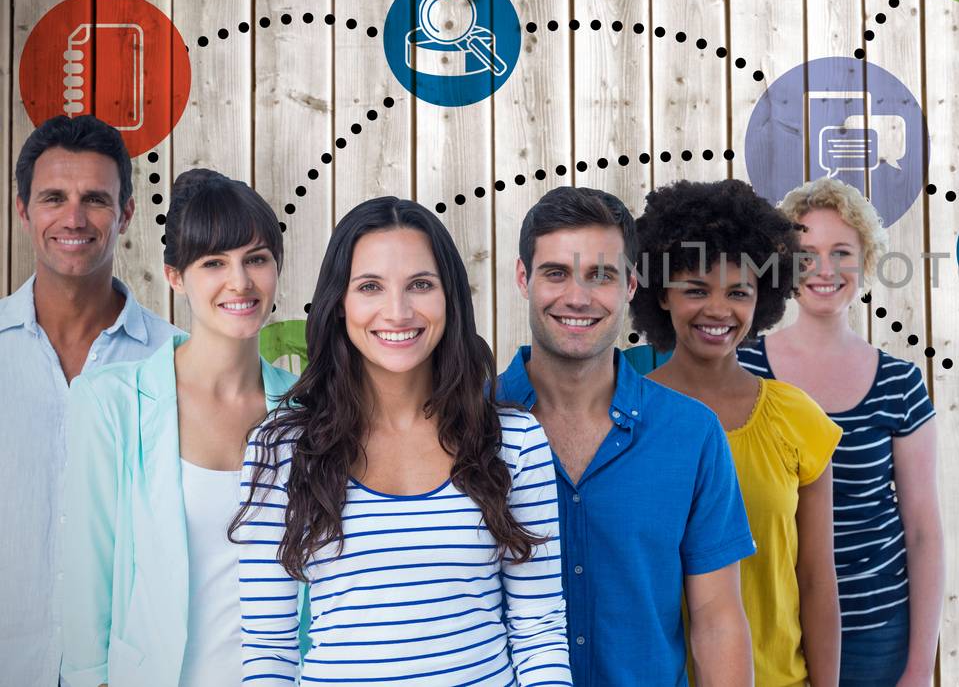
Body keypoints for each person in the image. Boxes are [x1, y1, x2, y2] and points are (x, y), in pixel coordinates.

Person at [232, 197, 569, 685]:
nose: (398, 311)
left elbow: (538, 629)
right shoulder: (280, 449)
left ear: (450, 298)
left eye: (421, 285)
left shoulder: (513, 439)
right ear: (339, 303)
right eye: (370, 286)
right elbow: (268, 650)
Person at [493, 186, 756, 687]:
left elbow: (718, 621)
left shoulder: (692, 434)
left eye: (601, 275)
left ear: (630, 285)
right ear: (523, 278)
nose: (577, 297)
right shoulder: (465, 424)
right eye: (556, 273)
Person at [55, 168, 291, 686]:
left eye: (257, 259)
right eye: (214, 263)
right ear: (175, 276)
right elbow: (87, 592)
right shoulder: (111, 402)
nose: (241, 281)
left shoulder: (306, 410)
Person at [631, 179, 843, 687]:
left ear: (762, 300)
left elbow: (815, 580)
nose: (718, 310)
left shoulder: (797, 419)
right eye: (696, 289)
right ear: (662, 294)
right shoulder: (626, 416)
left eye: (738, 292)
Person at [738, 179, 942, 687]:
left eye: (841, 252)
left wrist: (920, 664)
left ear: (865, 260)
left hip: (873, 635)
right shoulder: (739, 368)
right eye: (806, 254)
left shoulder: (900, 383)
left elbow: (922, 530)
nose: (824, 270)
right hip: (768, 627)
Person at [0, 115, 180, 685]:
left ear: (126, 213)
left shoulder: (176, 365)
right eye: (54, 197)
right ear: (23, 209)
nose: (73, 218)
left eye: (95, 199)